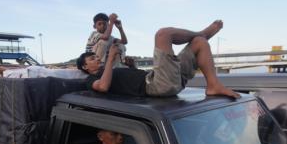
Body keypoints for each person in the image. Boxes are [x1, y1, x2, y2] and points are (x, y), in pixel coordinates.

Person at [77, 20, 241, 99]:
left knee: (200, 44)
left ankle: (213, 85)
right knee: (163, 34)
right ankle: (201, 32)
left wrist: (131, 66)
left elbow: (128, 82)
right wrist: (111, 58)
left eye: (96, 56)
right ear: (85, 67)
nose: (97, 57)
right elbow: (104, 87)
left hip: (160, 79)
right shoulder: (92, 79)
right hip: (157, 86)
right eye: (92, 58)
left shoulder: (110, 71)